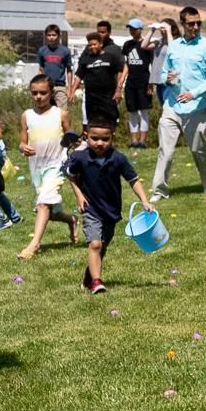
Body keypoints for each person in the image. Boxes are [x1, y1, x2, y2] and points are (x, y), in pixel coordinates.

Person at [65, 118, 154, 295]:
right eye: (94, 138)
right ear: (86, 136)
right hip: (91, 209)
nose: (99, 143)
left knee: (101, 247)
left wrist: (145, 200)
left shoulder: (118, 158)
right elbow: (71, 176)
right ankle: (97, 282)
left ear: (112, 137)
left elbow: (133, 180)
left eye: (105, 139)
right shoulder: (80, 158)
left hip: (111, 210)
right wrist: (79, 196)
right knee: (95, 244)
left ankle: (88, 279)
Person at [150, 6, 206, 202]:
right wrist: (168, 78)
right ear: (182, 24)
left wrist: (193, 94)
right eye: (191, 23)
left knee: (199, 149)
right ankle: (159, 191)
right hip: (171, 106)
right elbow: (163, 73)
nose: (196, 27)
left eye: (199, 23)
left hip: (196, 108)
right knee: (166, 150)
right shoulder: (173, 46)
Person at [16, 75, 78, 260]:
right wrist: (22, 147)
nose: (38, 96)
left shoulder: (60, 114)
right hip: (37, 168)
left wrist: (74, 144)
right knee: (49, 211)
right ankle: (71, 220)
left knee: (43, 203)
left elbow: (71, 138)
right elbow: (22, 142)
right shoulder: (27, 115)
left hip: (56, 165)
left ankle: (33, 245)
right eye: (34, 93)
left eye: (43, 93)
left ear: (51, 93)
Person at [71, 32, 127, 129]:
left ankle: (110, 140)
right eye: (90, 45)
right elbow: (78, 76)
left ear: (100, 44)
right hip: (92, 97)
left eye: (94, 44)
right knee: (93, 122)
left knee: (110, 121)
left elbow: (120, 73)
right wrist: (72, 91)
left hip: (108, 96)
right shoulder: (85, 59)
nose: (92, 47)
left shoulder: (110, 57)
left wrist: (118, 90)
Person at [122, 19, 154, 148]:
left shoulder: (147, 45)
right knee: (132, 111)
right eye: (130, 28)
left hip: (144, 81)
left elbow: (153, 64)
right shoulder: (127, 45)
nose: (132, 31)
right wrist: (122, 79)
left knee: (144, 111)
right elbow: (127, 64)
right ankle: (134, 141)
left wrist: (151, 83)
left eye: (134, 29)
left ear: (141, 29)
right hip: (131, 82)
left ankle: (142, 141)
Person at [142, 19, 178, 107]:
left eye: (164, 27)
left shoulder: (176, 41)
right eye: (161, 27)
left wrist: (168, 31)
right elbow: (144, 46)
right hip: (159, 80)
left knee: (171, 107)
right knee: (164, 107)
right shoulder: (159, 41)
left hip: (169, 80)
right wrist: (152, 30)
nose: (162, 29)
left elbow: (173, 49)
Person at [36, 25, 73, 110]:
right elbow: (41, 69)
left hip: (60, 86)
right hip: (46, 86)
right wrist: (39, 85)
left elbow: (69, 71)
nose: (51, 37)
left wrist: (69, 89)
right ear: (46, 36)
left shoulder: (65, 51)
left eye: (54, 35)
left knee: (62, 112)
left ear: (59, 35)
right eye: (49, 35)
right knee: (44, 111)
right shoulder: (42, 50)